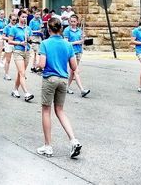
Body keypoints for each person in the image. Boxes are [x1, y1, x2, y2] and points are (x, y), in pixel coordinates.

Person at [37, 17, 82, 159]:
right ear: (61, 29)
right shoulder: (67, 45)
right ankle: (73, 140)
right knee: (60, 111)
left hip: (50, 79)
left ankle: (48, 146)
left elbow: (42, 64)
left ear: (48, 30)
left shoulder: (44, 43)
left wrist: (36, 66)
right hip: (63, 80)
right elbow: (74, 67)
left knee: (46, 110)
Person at [8, 10, 34, 102]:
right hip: (18, 51)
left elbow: (31, 39)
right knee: (22, 73)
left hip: (26, 52)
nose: (24, 18)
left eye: (26, 17)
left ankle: (15, 90)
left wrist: (30, 40)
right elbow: (10, 41)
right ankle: (26, 93)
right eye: (23, 17)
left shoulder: (28, 28)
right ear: (19, 17)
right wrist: (20, 42)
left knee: (20, 73)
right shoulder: (14, 28)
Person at [63, 15, 90, 97]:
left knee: (72, 72)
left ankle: (66, 87)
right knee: (76, 70)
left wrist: (84, 39)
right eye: (71, 21)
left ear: (77, 22)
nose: (73, 23)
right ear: (69, 21)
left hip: (79, 52)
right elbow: (66, 43)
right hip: (71, 52)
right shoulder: (67, 30)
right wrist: (78, 42)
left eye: (74, 21)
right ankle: (82, 90)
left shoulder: (79, 30)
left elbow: (82, 41)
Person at [2, 13, 17, 81]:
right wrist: (9, 39)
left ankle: (21, 75)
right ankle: (6, 74)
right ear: (10, 19)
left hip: (16, 44)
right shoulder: (7, 27)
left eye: (16, 20)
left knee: (18, 60)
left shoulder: (17, 26)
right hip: (8, 44)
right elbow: (3, 37)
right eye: (13, 20)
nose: (15, 21)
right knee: (8, 60)